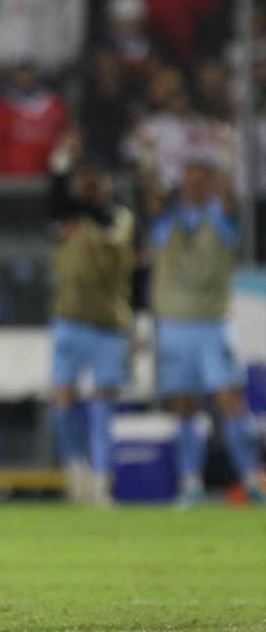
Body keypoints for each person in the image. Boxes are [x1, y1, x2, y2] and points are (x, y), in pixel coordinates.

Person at [144, 149, 264, 506]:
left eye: (202, 177)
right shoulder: (167, 219)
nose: (195, 183)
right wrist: (148, 155)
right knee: (184, 406)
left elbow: (230, 197)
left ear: (211, 182)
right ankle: (190, 483)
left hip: (212, 324)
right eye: (189, 176)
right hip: (173, 324)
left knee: (230, 401)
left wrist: (225, 156)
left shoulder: (223, 217)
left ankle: (253, 480)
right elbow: (151, 193)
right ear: (182, 182)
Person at [47, 132, 135, 506]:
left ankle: (101, 477)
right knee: (61, 400)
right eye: (85, 178)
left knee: (102, 404)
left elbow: (109, 233)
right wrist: (59, 166)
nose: (90, 185)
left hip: (107, 323)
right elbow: (55, 201)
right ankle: (75, 468)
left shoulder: (119, 217)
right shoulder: (69, 214)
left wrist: (84, 199)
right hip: (68, 318)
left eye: (96, 179)